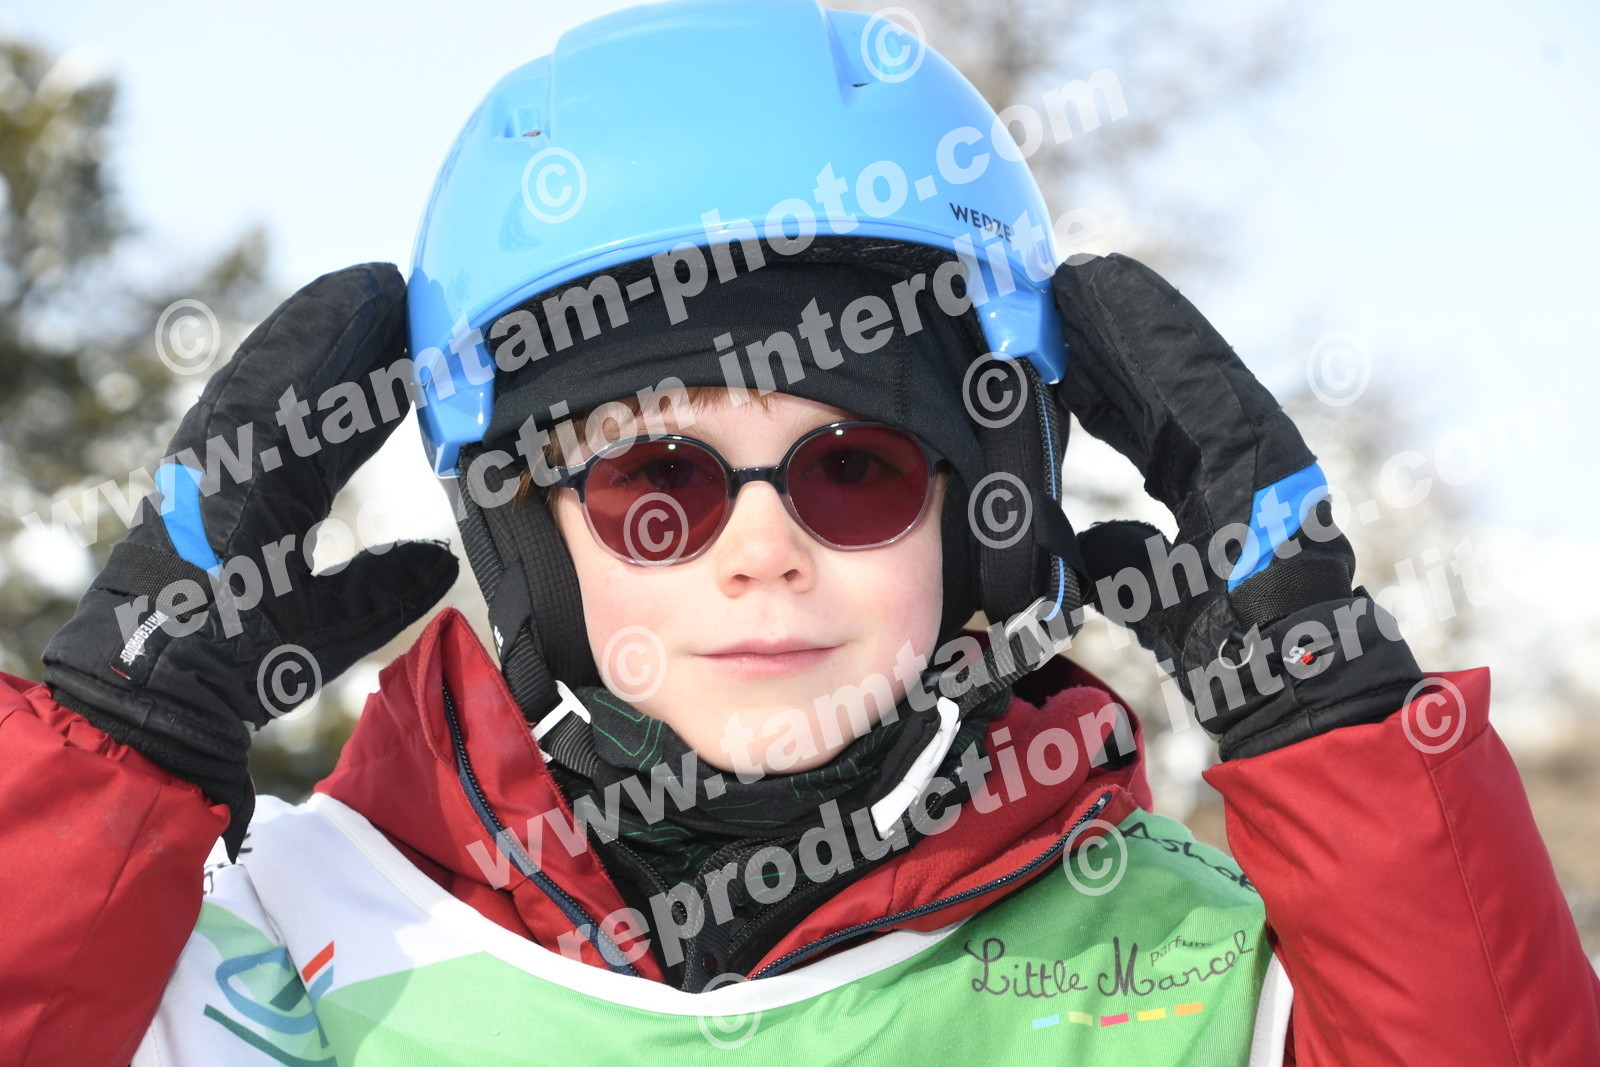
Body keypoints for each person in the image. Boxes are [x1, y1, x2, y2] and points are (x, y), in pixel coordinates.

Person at [2, 1, 1596, 1063]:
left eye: (854, 473)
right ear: (530, 542)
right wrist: (109, 770)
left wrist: (1338, 732)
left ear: (983, 523)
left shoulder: (1187, 971)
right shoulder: (269, 951)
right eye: (657, 490)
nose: (759, 555)